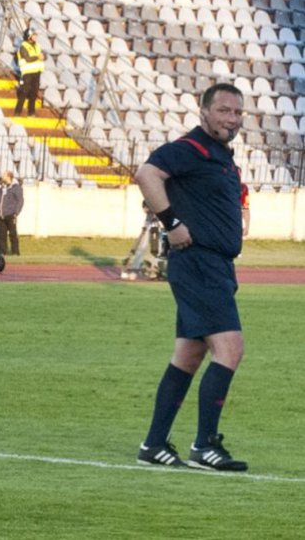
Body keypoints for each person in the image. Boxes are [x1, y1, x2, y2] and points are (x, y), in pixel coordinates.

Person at [135, 82, 249, 472]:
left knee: (189, 354)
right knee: (230, 349)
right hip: (199, 263)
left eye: (237, 112)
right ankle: (204, 445)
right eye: (224, 111)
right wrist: (171, 222)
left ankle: (153, 444)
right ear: (204, 112)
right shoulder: (191, 148)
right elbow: (147, 173)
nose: (231, 119)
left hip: (215, 265)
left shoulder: (220, 156)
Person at [14, 28, 44, 116]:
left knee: (34, 92)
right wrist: (38, 57)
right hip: (27, 73)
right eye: (34, 35)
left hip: (36, 72)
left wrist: (43, 57)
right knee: (24, 92)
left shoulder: (37, 45)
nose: (35, 37)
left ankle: (31, 112)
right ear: (29, 37)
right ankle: (18, 111)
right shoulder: (23, 46)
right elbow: (27, 58)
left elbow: (41, 55)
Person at [0, 170, 23, 255]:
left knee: (13, 234)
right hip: (0, 215)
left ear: (9, 177)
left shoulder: (16, 187)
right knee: (2, 235)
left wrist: (16, 212)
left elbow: (20, 201)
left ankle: (15, 252)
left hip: (10, 214)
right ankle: (3, 251)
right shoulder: (2, 187)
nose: (2, 177)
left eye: (4, 175)